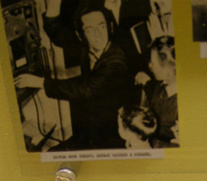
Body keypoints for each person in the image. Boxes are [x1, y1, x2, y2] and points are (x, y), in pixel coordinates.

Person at [15, 0, 130, 150]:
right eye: (89, 30)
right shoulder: (88, 47)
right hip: (87, 131)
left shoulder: (116, 61)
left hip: (107, 137)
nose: (98, 34)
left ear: (110, 27)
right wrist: (54, 4)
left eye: (102, 26)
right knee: (49, 152)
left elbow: (85, 89)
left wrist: (40, 82)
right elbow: (56, 33)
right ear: (81, 35)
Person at [137, 36, 178, 147]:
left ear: (169, 67)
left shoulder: (178, 103)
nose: (150, 65)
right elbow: (154, 91)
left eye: (153, 62)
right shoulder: (162, 85)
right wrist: (146, 82)